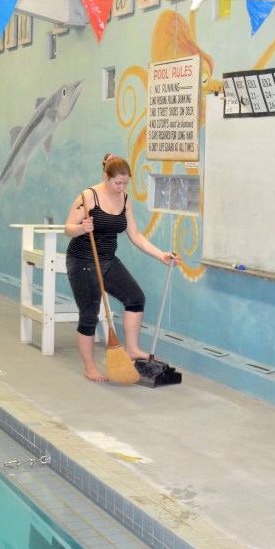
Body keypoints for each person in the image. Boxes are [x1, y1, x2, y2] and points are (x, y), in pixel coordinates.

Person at [64, 153, 178, 382]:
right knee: (89, 314)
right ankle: (90, 367)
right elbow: (68, 228)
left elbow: (135, 235)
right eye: (118, 183)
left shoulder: (125, 199)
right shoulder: (88, 197)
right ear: (105, 177)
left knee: (135, 298)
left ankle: (132, 349)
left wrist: (161, 255)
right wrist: (81, 228)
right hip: (83, 261)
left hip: (108, 260)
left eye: (125, 183)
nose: (121, 187)